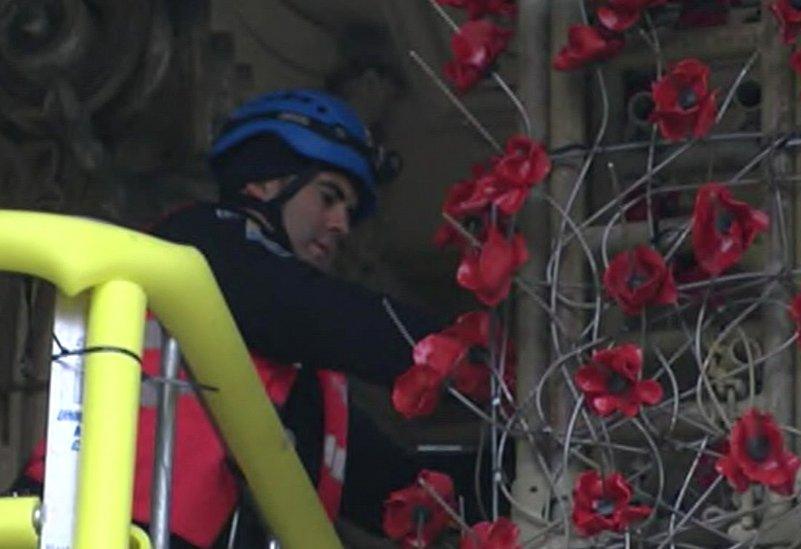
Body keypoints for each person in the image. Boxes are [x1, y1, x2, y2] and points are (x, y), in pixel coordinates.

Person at [13, 89, 485, 547]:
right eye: (328, 196)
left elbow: (384, 482)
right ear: (265, 182)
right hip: (95, 525)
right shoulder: (207, 241)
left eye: (348, 211)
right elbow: (314, 313)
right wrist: (470, 351)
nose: (341, 224)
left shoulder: (288, 370)